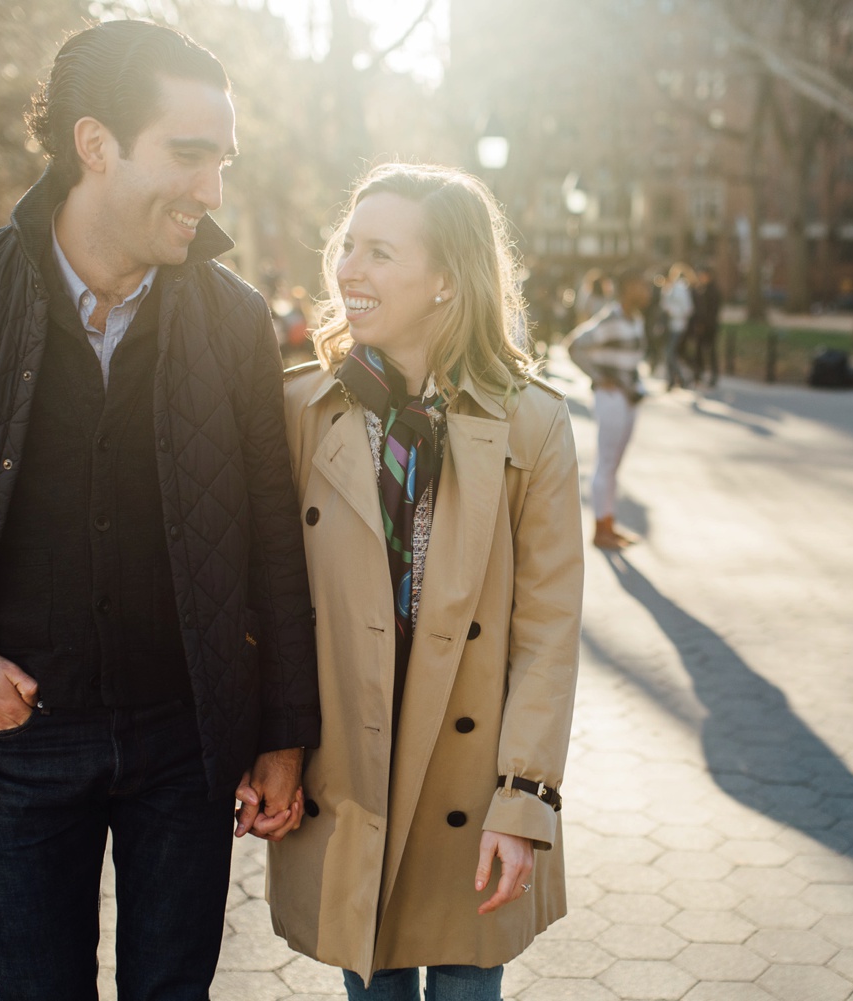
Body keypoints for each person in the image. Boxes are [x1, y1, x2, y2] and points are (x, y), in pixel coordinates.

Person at [0, 21, 319, 998]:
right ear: (95, 144)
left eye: (222, 161)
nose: (212, 191)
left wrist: (283, 727)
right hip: (25, 744)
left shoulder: (232, 319)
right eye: (189, 155)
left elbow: (273, 528)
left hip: (189, 745)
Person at [268, 163, 583, 1001]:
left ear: (447, 278)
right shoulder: (300, 409)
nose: (349, 269)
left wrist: (524, 802)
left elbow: (548, 633)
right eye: (348, 247)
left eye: (379, 251)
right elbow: (270, 602)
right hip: (347, 769)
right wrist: (271, 746)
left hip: (470, 783)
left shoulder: (532, 422)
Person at [566, 267, 651, 549]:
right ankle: (600, 530)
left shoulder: (635, 319)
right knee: (606, 464)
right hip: (610, 400)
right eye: (642, 286)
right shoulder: (610, 319)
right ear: (628, 288)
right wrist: (599, 378)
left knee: (614, 466)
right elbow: (574, 346)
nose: (648, 291)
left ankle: (609, 525)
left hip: (628, 399)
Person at [684, 264, 722, 389]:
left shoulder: (713, 291)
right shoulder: (699, 289)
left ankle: (713, 375)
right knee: (698, 351)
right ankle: (697, 374)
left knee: (711, 352)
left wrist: (706, 324)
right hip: (699, 326)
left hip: (709, 327)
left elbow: (713, 311)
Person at [661, 262, 694, 388]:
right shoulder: (667, 290)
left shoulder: (680, 289)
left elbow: (688, 309)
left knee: (670, 353)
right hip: (668, 327)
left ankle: (683, 377)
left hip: (678, 326)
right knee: (669, 354)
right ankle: (671, 380)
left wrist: (672, 311)